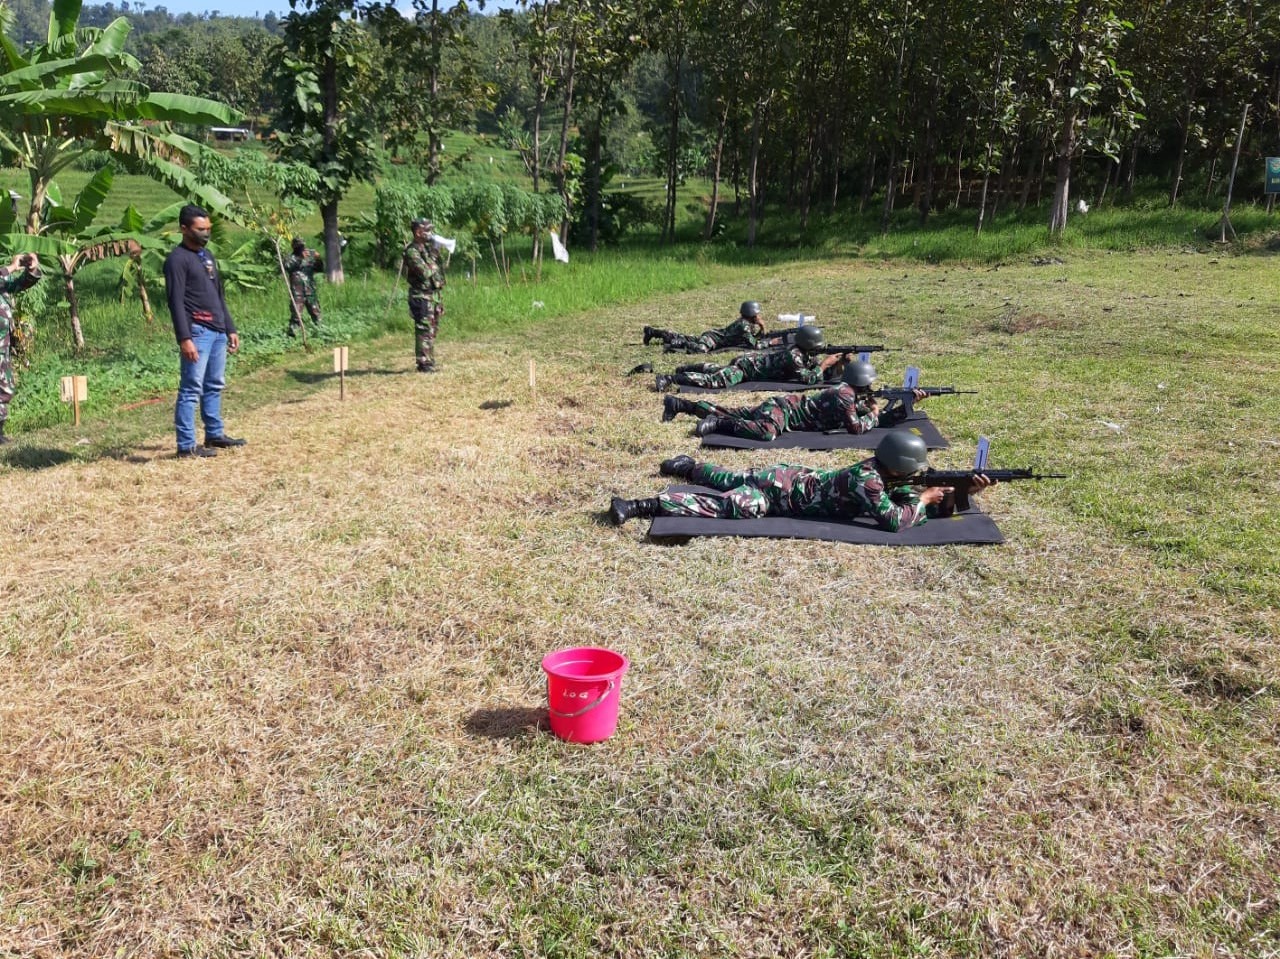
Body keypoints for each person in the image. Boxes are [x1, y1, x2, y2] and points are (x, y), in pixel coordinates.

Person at [608, 431, 993, 532]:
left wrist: (961, 493)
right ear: (900, 468)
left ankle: (690, 466)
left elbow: (911, 501)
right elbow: (895, 520)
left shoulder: (883, 474)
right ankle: (641, 505)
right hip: (779, 497)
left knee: (728, 477)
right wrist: (925, 500)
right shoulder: (868, 481)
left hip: (790, 476)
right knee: (730, 504)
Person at [661, 359, 928, 439]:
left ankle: (681, 404)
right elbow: (857, 428)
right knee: (766, 433)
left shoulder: (851, 392)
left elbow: (877, 419)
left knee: (735, 410)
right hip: (786, 410)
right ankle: (718, 424)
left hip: (784, 405)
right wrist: (872, 412)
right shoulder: (845, 396)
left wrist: (906, 406)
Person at [164, 204, 245, 459]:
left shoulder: (207, 256)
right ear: (184, 229)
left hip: (218, 331)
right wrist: (184, 338)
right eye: (200, 229)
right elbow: (175, 301)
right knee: (191, 388)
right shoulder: (177, 260)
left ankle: (214, 434)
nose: (206, 233)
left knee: (214, 385)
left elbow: (218, 296)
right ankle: (186, 445)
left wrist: (229, 327)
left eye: (208, 229)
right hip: (197, 332)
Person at [654, 325, 843, 391]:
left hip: (747, 362)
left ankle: (685, 369)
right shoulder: (793, 357)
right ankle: (670, 378)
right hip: (745, 369)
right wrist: (826, 364)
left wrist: (839, 362)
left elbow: (814, 368)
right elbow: (809, 379)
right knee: (715, 381)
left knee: (716, 370)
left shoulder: (802, 353)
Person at [0, 253, 42, 445]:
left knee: (5, 388)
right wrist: (12, 267)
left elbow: (19, 284)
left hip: (3, 346)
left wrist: (31, 268)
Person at [403, 218, 447, 373]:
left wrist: (437, 252)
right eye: (427, 230)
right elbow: (425, 272)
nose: (430, 234)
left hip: (432, 295)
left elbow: (438, 271)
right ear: (418, 232)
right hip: (420, 296)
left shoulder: (426, 249)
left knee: (432, 329)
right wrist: (434, 255)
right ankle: (423, 363)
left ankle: (429, 359)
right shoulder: (412, 251)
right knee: (424, 330)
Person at [643, 300, 770, 354]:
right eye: (757, 314)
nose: (758, 316)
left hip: (712, 336)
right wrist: (764, 329)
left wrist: (761, 329)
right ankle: (676, 344)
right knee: (700, 350)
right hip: (713, 339)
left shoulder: (746, 324)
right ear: (751, 314)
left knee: (685, 337)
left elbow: (753, 339)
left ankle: (653, 332)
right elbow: (755, 345)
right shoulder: (744, 326)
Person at [284, 237, 323, 336]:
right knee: (296, 314)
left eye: (302, 246)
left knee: (316, 312)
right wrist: (300, 258)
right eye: (299, 246)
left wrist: (319, 259)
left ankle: (320, 332)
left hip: (310, 290)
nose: (302, 248)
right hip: (297, 292)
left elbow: (319, 269)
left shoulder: (310, 255)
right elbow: (287, 267)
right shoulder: (290, 258)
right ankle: (293, 335)